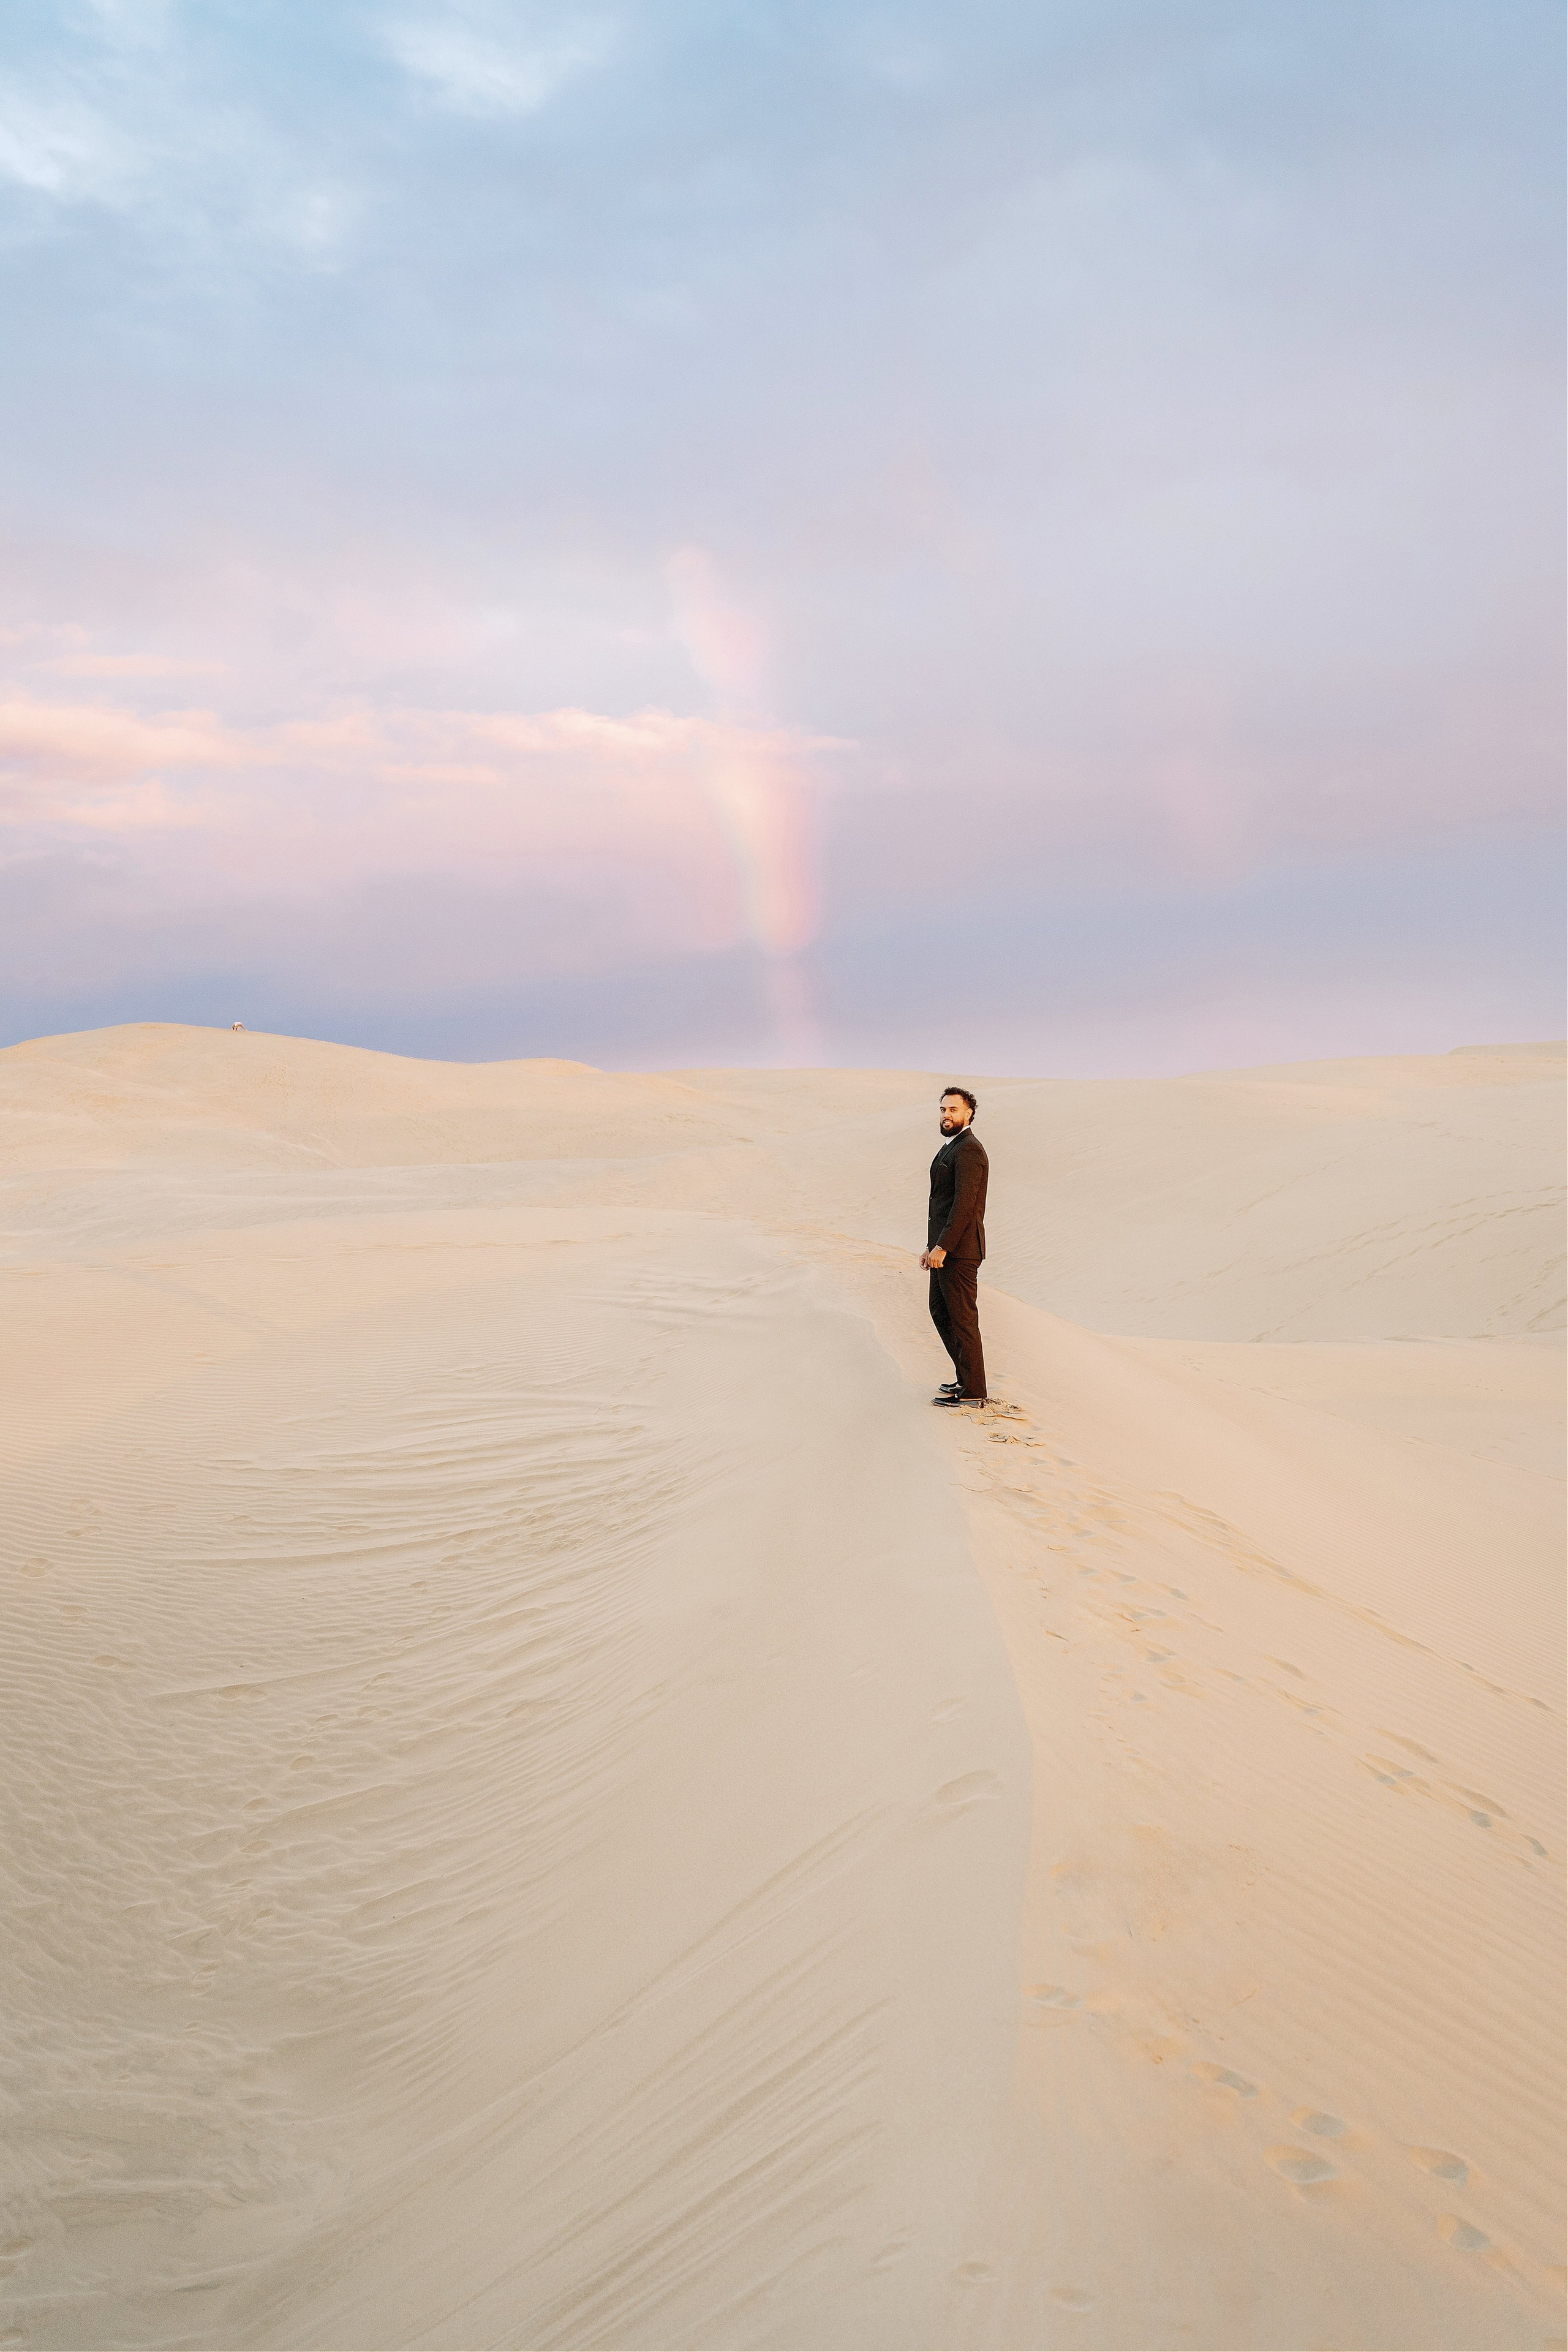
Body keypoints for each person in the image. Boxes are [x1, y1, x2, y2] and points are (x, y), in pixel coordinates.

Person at [921, 1086, 989, 1406]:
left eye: (953, 1110)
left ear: (969, 1114)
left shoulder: (970, 1150)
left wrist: (944, 1247)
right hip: (944, 1250)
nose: (947, 1115)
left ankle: (974, 1391)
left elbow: (964, 1206)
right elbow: (941, 1203)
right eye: (943, 1110)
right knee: (940, 1312)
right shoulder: (950, 1147)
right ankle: (965, 1379)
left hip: (960, 1252)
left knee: (962, 1319)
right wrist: (931, 1246)